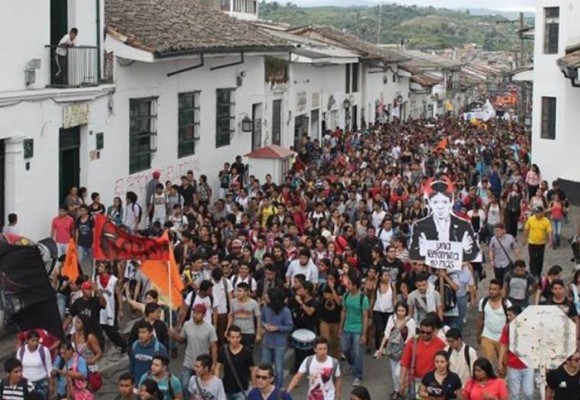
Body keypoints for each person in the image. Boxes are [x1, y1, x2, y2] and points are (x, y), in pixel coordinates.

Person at [409, 180, 481, 264]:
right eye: (435, 202)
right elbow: (413, 254)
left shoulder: (464, 225)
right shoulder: (419, 226)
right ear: (430, 203)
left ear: (451, 203)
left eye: (444, 202)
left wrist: (466, 250)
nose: (440, 206)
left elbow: (475, 254)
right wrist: (423, 251)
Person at [169, 302, 218, 398]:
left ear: (204, 315)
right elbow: (182, 340)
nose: (195, 315)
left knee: (200, 388)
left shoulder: (210, 328)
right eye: (194, 312)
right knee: (185, 385)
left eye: (198, 313)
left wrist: (214, 364)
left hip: (202, 365)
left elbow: (214, 346)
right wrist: (174, 335)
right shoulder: (187, 325)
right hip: (188, 362)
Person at [398, 317, 446, 399]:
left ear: (434, 331)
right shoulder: (412, 341)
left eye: (428, 333)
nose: (425, 335)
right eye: (422, 332)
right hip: (415, 380)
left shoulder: (440, 344)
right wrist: (402, 382)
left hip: (433, 382)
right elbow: (405, 362)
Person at [375, 301, 416, 392]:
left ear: (406, 311)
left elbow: (411, 337)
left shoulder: (411, 322)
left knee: (398, 372)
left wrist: (406, 350)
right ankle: (397, 391)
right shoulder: (391, 319)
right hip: (392, 350)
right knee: (394, 373)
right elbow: (386, 334)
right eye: (398, 310)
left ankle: (403, 388)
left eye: (403, 310)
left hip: (404, 351)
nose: (400, 313)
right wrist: (381, 349)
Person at [339, 271, 370, 386]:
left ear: (355, 285)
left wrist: (364, 333)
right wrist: (341, 327)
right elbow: (343, 311)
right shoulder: (346, 295)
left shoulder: (363, 298)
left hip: (358, 329)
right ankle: (351, 363)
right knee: (345, 349)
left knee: (358, 353)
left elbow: (365, 316)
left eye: (350, 283)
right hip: (347, 327)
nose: (348, 285)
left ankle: (358, 375)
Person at [498, 306, 533, 400]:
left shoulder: (530, 328)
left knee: (529, 393)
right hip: (513, 365)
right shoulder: (507, 328)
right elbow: (503, 345)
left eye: (510, 315)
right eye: (507, 315)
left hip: (528, 365)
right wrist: (500, 363)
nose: (508, 317)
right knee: (514, 394)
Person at [261, 288, 293, 387]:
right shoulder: (265, 308)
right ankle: (265, 386)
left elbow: (289, 326)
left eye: (267, 296)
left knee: (279, 369)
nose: (265, 297)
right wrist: (265, 325)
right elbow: (262, 320)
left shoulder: (285, 311)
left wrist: (277, 328)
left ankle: (278, 389)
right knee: (265, 368)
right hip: (267, 342)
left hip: (280, 343)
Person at [215, 325, 256, 400]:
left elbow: (252, 369)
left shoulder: (247, 352)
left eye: (237, 337)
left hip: (242, 390)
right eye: (233, 337)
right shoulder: (223, 350)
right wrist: (217, 382)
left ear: (241, 337)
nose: (235, 340)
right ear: (228, 338)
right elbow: (218, 366)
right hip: (226, 389)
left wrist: (254, 386)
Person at [476, 279, 511, 364]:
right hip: (487, 335)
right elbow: (480, 319)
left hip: (502, 338)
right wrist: (478, 335)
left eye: (494, 289)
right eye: (490, 289)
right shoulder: (483, 302)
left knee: (503, 364)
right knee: (487, 363)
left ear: (500, 290)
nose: (491, 291)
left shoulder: (507, 304)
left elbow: (511, 322)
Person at [16, 330, 51, 399]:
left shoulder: (44, 350)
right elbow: (17, 366)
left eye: (37, 341)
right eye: (32, 340)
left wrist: (51, 383)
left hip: (41, 382)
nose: (35, 343)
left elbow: (49, 366)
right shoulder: (21, 351)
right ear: (27, 340)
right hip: (26, 382)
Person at [227, 282, 262, 349]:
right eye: (237, 290)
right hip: (236, 332)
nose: (237, 293)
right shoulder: (233, 302)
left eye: (240, 291)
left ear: (246, 292)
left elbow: (258, 318)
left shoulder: (254, 303)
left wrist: (258, 333)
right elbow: (231, 316)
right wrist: (227, 329)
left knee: (247, 352)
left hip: (249, 332)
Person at [523, 206, 552, 278]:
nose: (537, 214)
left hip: (541, 243)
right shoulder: (530, 219)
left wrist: (550, 241)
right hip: (532, 242)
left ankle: (538, 272)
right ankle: (532, 272)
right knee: (532, 258)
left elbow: (549, 231)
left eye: (538, 212)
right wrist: (525, 238)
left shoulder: (546, 220)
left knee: (540, 258)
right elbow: (526, 229)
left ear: (542, 213)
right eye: (536, 212)